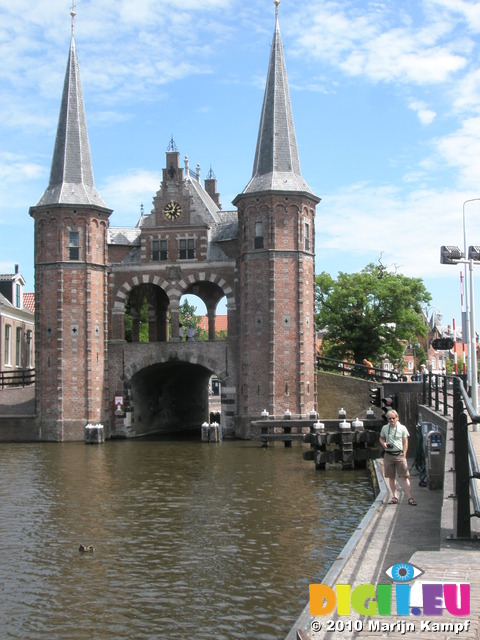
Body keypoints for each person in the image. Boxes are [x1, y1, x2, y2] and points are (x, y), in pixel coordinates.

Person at [379, 409, 417, 506]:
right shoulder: (384, 428)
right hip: (388, 455)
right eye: (389, 418)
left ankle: (410, 497)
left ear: (397, 418)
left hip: (399, 455)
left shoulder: (402, 428)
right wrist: (384, 444)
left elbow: (405, 442)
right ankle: (394, 497)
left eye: (393, 418)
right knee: (391, 477)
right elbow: (381, 438)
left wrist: (404, 454)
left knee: (404, 477)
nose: (391, 420)